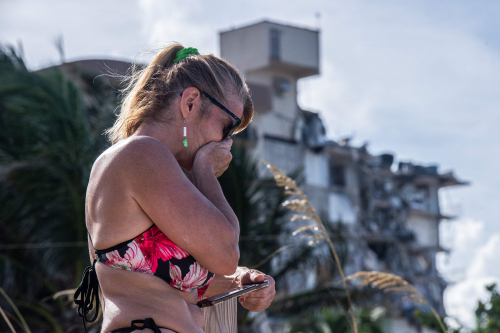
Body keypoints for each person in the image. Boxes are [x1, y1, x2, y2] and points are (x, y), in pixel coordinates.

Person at [74, 44, 276, 333]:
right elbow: (226, 254)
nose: (226, 142)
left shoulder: (142, 163)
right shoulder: (143, 154)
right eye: (227, 126)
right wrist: (204, 170)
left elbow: (163, 277)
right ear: (191, 103)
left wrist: (242, 281)